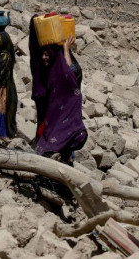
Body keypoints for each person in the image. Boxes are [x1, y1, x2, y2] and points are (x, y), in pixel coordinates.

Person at [29, 15, 87, 166]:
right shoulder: (52, 70)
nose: (43, 57)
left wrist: (66, 49)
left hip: (65, 111)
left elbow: (71, 72)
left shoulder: (61, 68)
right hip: (55, 112)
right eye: (43, 54)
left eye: (47, 54)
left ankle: (63, 159)